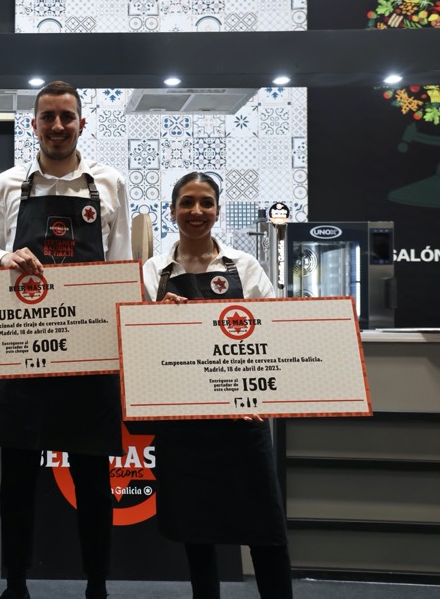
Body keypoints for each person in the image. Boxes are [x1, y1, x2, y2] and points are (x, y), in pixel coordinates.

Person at [0, 80, 130, 599]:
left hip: (87, 350)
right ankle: (15, 585)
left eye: (67, 117)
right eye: (48, 117)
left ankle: (97, 587)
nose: (58, 126)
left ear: (82, 123)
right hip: (20, 345)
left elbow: (122, 266)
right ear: (33, 124)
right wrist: (3, 258)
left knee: (92, 479)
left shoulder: (109, 185)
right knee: (16, 478)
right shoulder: (8, 184)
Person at [143, 171, 293, 599]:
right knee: (197, 531)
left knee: (266, 528)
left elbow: (273, 333)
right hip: (184, 422)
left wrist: (265, 397)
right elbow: (141, 348)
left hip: (241, 418)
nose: (196, 211)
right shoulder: (154, 271)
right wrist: (158, 315)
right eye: (187, 203)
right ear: (172, 211)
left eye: (205, 202)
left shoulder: (244, 266)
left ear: (217, 210)